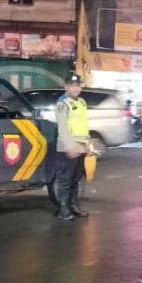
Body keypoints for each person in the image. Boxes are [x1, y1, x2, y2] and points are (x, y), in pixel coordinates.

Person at [53, 72, 92, 221]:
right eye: (72, 86)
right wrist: (70, 146)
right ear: (66, 87)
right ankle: (63, 207)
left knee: (76, 178)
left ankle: (73, 204)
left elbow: (84, 125)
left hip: (81, 146)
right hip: (67, 148)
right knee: (65, 179)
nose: (76, 89)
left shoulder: (81, 102)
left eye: (78, 85)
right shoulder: (62, 103)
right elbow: (62, 127)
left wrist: (88, 144)